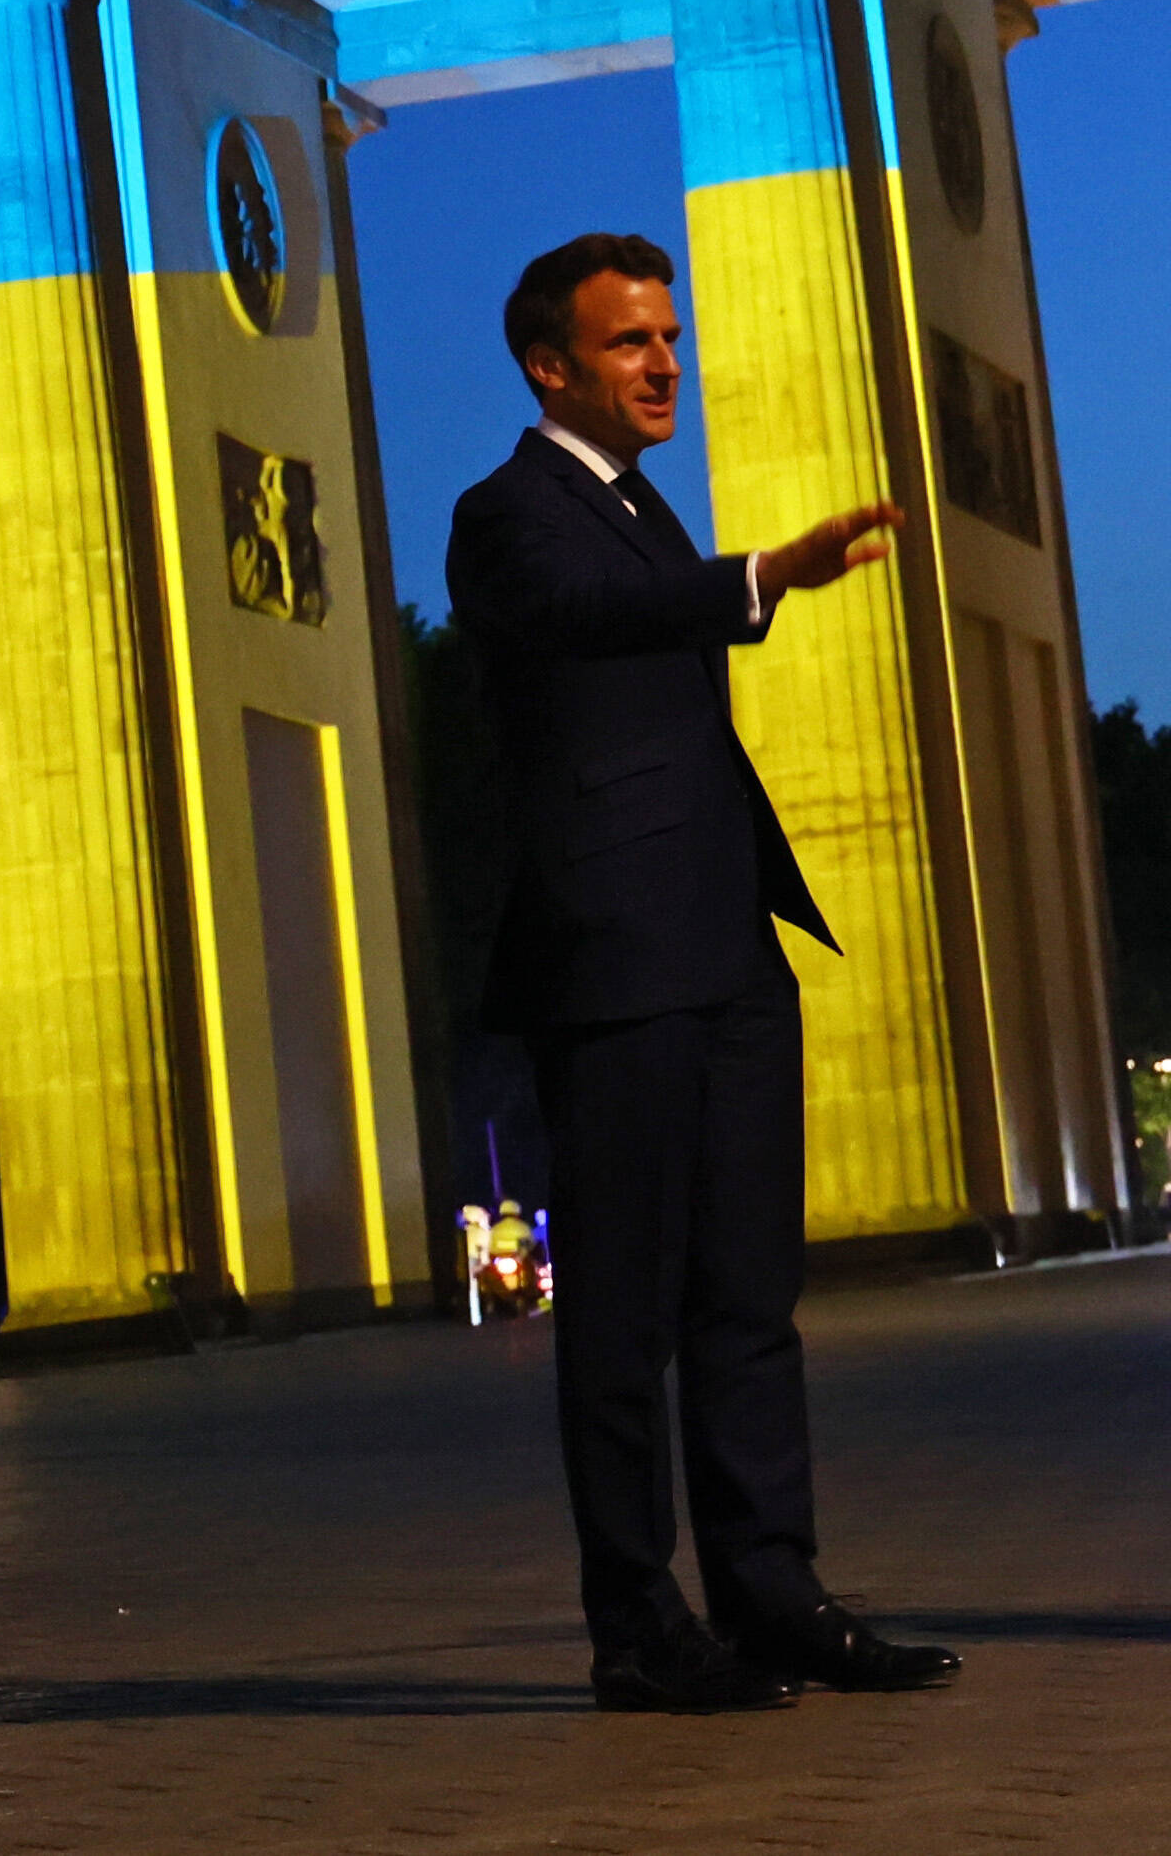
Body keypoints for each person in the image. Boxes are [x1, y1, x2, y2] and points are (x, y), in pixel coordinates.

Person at [447, 229, 951, 1717]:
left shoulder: (642, 505)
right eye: (628, 342)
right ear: (551, 364)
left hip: (725, 949)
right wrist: (752, 574)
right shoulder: (507, 513)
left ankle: (773, 1591)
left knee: (747, 1295)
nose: (667, 361)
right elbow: (578, 620)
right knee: (620, 1315)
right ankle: (636, 1620)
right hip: (612, 961)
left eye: (669, 335)